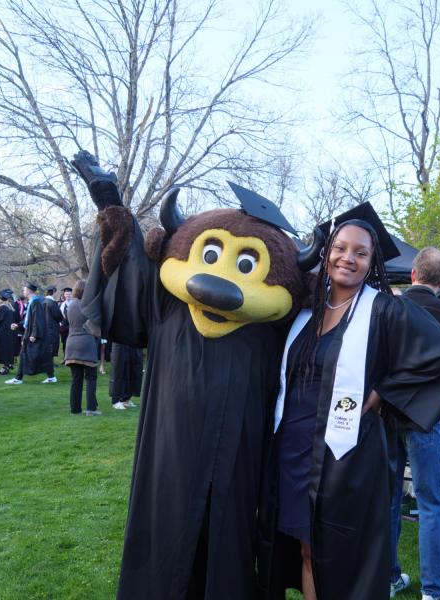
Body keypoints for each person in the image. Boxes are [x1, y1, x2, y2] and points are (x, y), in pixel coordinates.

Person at [72, 150, 314, 600]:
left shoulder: (275, 323)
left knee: (231, 540)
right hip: (171, 452)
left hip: (241, 456)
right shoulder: (168, 305)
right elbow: (132, 271)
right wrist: (108, 198)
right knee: (166, 536)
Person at [258, 205, 440, 600]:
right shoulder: (305, 309)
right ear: (327, 252)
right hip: (293, 444)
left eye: (360, 252)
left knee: (335, 553)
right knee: (304, 547)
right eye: (340, 248)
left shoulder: (388, 310)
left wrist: (383, 393)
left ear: (372, 263)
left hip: (346, 454)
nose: (348, 258)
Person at [390, 247, 440, 600]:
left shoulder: (392, 306)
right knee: (431, 503)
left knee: (390, 500)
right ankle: (434, 590)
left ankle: (390, 577)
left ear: (414, 274)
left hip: (388, 414)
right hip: (424, 418)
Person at [5, 283, 57, 385]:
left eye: (24, 290)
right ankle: (51, 377)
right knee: (42, 356)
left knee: (25, 354)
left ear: (29, 291)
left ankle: (18, 378)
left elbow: (37, 320)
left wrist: (34, 334)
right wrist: (18, 325)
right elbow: (29, 320)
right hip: (32, 333)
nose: (23, 292)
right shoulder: (32, 302)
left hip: (34, 334)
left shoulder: (36, 303)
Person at [64, 280, 101, 415]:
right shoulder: (88, 305)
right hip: (86, 342)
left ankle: (75, 409)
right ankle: (91, 408)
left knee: (76, 379)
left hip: (71, 343)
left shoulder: (70, 305)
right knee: (91, 378)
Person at [0, 290, 17, 375]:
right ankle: (8, 364)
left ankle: (5, 368)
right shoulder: (10, 308)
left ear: (0, 299)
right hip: (10, 332)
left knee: (2, 350)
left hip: (3, 333)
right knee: (7, 350)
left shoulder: (2, 308)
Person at [109, 342, 143, 410]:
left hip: (131, 342)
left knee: (132, 370)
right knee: (119, 370)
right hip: (119, 342)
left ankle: (126, 399)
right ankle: (115, 400)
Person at [44, 285, 64, 362]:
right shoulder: (52, 303)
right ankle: (49, 362)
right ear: (53, 292)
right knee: (52, 344)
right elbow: (59, 316)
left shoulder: (42, 301)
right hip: (52, 327)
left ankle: (47, 361)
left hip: (44, 326)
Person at [59, 286, 73, 361]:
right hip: (64, 328)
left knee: (72, 343)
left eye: (69, 294)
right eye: (66, 294)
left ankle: (72, 357)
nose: (68, 296)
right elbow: (60, 315)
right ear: (64, 295)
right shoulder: (62, 304)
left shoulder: (74, 304)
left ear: (72, 294)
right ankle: (65, 358)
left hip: (72, 327)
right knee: (64, 343)